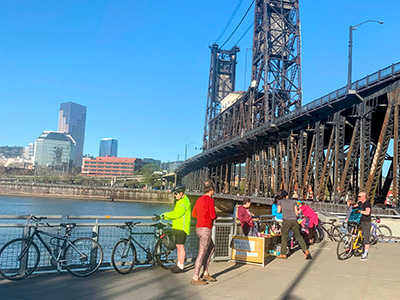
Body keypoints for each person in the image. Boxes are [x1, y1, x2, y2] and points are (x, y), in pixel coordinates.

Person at [155, 184, 191, 273]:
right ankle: (179, 264)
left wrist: (163, 216)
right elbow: (175, 213)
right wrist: (163, 216)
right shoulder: (180, 201)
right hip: (177, 227)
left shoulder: (185, 202)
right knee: (178, 246)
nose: (174, 195)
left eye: (175, 194)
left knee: (180, 247)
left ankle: (181, 266)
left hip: (182, 228)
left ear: (181, 193)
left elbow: (176, 214)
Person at [191, 180, 217, 285]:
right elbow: (213, 215)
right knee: (201, 253)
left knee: (211, 248)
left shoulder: (199, 200)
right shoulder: (210, 200)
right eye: (214, 189)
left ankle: (205, 273)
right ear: (211, 190)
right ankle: (195, 277)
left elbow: (194, 214)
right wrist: (210, 218)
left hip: (198, 228)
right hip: (206, 228)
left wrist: (201, 217)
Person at [277, 190, 312, 260]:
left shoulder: (280, 202)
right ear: (287, 196)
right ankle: (306, 251)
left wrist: (283, 210)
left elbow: (278, 211)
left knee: (284, 237)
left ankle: (283, 254)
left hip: (286, 221)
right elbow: (296, 213)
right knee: (298, 236)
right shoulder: (293, 202)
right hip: (294, 220)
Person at [356, 191, 371, 261]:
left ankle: (365, 253)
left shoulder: (367, 203)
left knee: (366, 237)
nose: (358, 198)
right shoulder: (360, 203)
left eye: (359, 197)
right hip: (359, 221)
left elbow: (367, 212)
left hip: (366, 222)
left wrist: (360, 211)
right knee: (356, 234)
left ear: (363, 197)